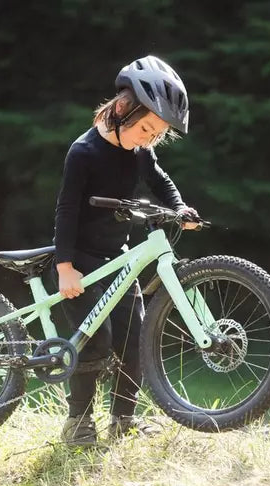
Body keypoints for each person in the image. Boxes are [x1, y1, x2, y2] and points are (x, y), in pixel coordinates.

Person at [53, 55, 200, 447]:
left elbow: (160, 180)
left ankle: (123, 419)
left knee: (134, 336)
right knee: (94, 340)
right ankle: (78, 423)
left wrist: (179, 207)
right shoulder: (83, 152)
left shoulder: (139, 151)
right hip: (82, 260)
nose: (149, 139)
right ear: (122, 108)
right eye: (147, 128)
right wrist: (65, 266)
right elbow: (66, 210)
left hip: (117, 257)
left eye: (158, 134)